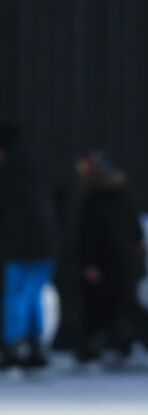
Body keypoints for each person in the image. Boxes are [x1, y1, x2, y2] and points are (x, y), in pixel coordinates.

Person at [74, 150, 146, 366]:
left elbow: (88, 233)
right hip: (116, 262)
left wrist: (89, 262)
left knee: (106, 308)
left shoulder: (99, 197)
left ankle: (115, 348)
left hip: (111, 262)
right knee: (111, 307)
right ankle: (113, 348)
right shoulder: (113, 194)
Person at [0, 123, 59, 372]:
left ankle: (14, 346)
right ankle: (36, 346)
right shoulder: (34, 166)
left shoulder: (8, 169)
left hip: (19, 246)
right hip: (46, 245)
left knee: (16, 295)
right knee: (34, 294)